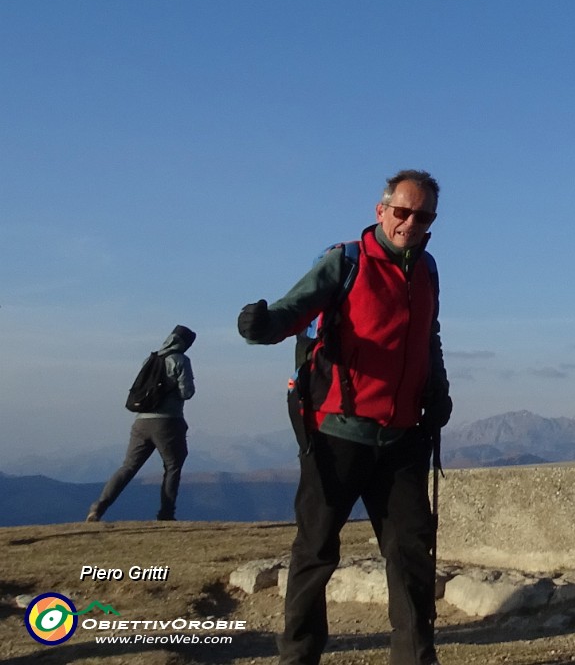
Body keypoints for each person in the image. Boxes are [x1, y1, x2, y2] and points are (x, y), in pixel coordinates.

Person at [238, 170, 451, 665]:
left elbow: (427, 336)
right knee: (315, 552)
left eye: (423, 216)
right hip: (336, 433)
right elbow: (296, 308)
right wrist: (263, 326)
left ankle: (416, 659)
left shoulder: (428, 269)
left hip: (401, 437)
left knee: (411, 558)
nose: (410, 222)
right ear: (381, 211)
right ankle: (298, 657)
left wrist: (437, 388)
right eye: (402, 211)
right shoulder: (346, 261)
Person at [87, 325, 196, 523]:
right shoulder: (180, 360)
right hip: (168, 422)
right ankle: (166, 515)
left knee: (128, 466)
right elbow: (187, 392)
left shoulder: (150, 359)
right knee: (172, 466)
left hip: (140, 422)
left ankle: (98, 507)